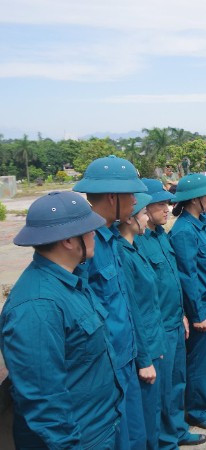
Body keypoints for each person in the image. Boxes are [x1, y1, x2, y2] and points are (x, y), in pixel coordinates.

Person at [0, 192, 122, 448]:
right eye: (88, 230)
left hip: (101, 426)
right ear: (68, 240)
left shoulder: (72, 281)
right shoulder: (37, 307)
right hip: (78, 440)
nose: (94, 236)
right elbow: (44, 399)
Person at [73, 155, 148, 449]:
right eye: (130, 194)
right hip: (107, 367)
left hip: (126, 356)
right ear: (112, 197)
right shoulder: (85, 244)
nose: (134, 201)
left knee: (135, 436)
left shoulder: (109, 238)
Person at [136, 179, 206, 447]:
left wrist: (183, 315)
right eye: (161, 204)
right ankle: (167, 439)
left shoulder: (161, 236)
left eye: (168, 202)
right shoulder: (140, 242)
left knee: (177, 381)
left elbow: (173, 280)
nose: (168, 208)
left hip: (174, 320)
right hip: (158, 327)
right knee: (162, 389)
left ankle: (177, 429)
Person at [169, 173, 206, 429]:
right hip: (202, 304)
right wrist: (196, 314)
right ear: (195, 199)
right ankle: (197, 409)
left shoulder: (202, 224)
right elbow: (188, 277)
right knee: (200, 361)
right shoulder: (183, 231)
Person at [117, 192, 168, 449]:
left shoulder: (135, 249)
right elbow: (132, 311)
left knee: (153, 411)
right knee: (145, 422)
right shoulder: (122, 254)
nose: (148, 217)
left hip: (153, 338)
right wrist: (144, 359)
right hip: (144, 346)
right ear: (128, 219)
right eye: (144, 214)